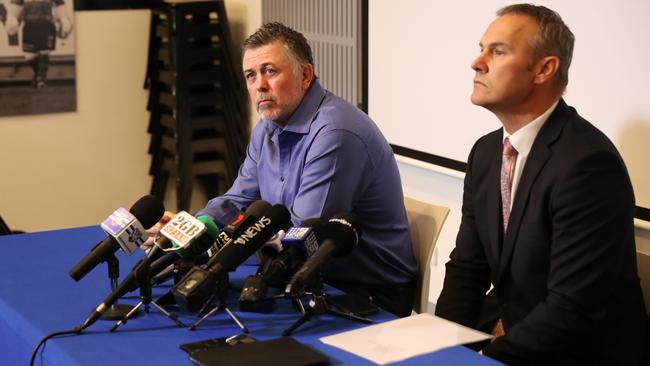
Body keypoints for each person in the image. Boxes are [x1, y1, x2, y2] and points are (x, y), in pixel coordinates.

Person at [149, 22, 418, 317]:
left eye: (270, 71)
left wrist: (224, 245)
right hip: (305, 279)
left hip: (366, 294)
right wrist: (196, 228)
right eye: (251, 76)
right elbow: (237, 200)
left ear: (305, 75)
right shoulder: (267, 127)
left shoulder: (336, 133)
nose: (259, 85)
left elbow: (300, 239)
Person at [434, 4, 647, 365]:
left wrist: (481, 360)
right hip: (508, 333)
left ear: (544, 69)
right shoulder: (486, 152)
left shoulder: (588, 165)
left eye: (497, 51)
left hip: (577, 352)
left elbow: (571, 309)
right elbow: (467, 268)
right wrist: (435, 351)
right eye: (481, 47)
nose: (477, 62)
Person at [5, 0, 73, 88]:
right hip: (30, 26)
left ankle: (41, 79)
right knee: (29, 56)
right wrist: (12, 19)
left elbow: (59, 5)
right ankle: (38, 75)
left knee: (44, 52)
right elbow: (15, 7)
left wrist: (64, 19)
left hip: (47, 25)